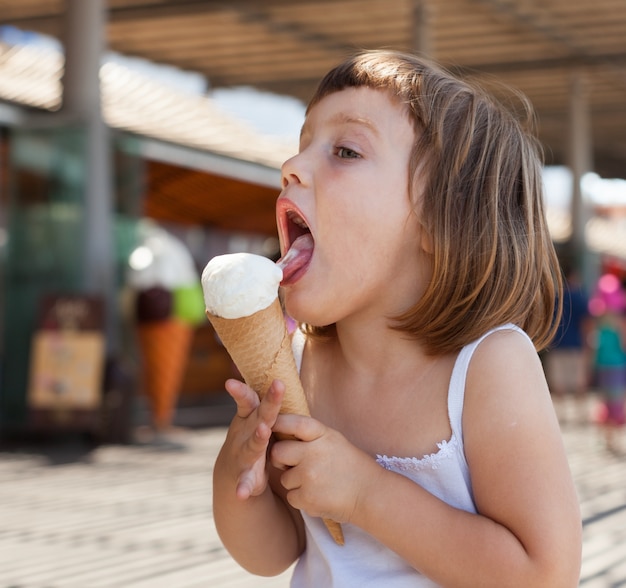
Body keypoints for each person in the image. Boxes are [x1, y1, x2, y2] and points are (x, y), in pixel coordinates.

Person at [212, 50, 582, 587]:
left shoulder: (487, 366)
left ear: (438, 222)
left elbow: (544, 573)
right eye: (301, 145)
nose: (291, 167)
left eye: (344, 150)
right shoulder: (299, 366)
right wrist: (238, 476)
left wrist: (366, 494)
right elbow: (275, 552)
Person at [545, 266, 591, 424]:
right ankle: (582, 414)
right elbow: (586, 323)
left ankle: (560, 415)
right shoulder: (580, 297)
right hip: (576, 345)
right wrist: (587, 345)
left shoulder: (555, 297)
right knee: (579, 380)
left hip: (557, 344)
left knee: (558, 382)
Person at [588, 273, 626, 453]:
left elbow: (595, 343)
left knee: (606, 401)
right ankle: (613, 441)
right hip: (617, 365)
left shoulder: (599, 319)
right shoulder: (618, 321)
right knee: (616, 402)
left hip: (604, 365)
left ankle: (608, 439)